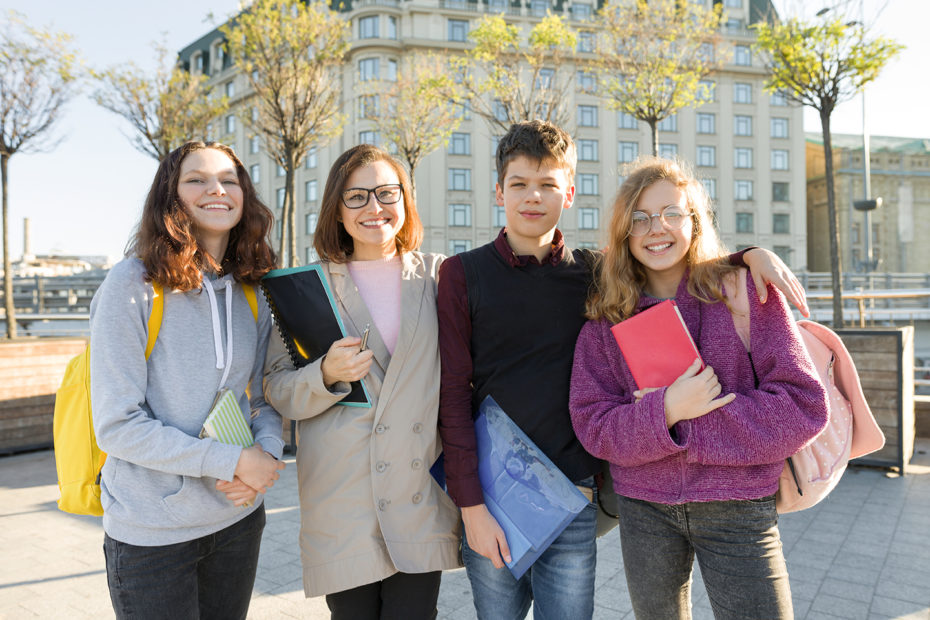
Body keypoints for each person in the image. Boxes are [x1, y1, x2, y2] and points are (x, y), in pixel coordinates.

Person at [437, 120, 811, 620]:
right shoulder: (486, 278)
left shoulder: (606, 281)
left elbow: (802, 403)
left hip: (648, 497)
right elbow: (462, 397)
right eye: (639, 218)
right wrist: (470, 505)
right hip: (544, 496)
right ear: (499, 190)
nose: (534, 197)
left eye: (548, 184)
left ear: (569, 192)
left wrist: (748, 257)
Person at [569, 156, 829, 619]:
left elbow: (803, 405)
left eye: (672, 213)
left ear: (695, 220)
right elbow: (592, 423)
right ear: (624, 232)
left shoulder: (746, 293)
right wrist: (665, 410)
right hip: (644, 507)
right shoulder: (606, 320)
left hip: (739, 504)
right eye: (641, 218)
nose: (657, 229)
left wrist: (694, 420)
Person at [263, 144, 461, 619]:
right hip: (343, 499)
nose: (374, 207)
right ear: (336, 208)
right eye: (357, 197)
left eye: (387, 192)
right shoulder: (305, 288)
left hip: (417, 489)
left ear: (406, 200)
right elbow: (276, 387)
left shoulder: (441, 277)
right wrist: (325, 375)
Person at [90, 141, 286, 619]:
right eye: (196, 179)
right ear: (170, 195)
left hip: (238, 518)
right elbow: (117, 425)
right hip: (153, 532)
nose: (216, 189)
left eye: (229, 180)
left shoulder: (252, 288)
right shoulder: (130, 285)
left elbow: (263, 395)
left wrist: (264, 456)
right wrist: (231, 460)